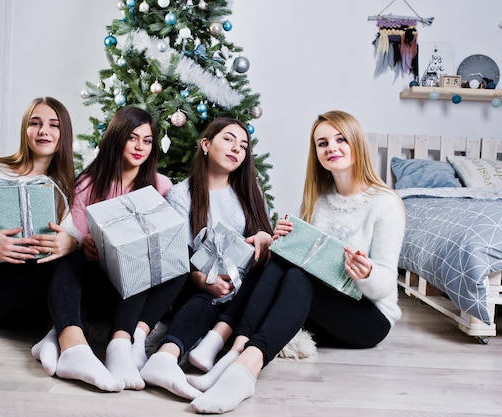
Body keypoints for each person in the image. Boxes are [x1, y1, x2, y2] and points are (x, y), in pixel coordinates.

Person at [188, 110, 407, 414]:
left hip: (369, 317)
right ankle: (235, 352)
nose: (331, 148)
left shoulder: (386, 204)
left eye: (341, 139)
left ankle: (246, 368)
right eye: (322, 143)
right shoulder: (321, 201)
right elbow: (307, 266)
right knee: (281, 260)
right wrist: (281, 241)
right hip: (323, 312)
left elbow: (384, 288)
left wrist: (367, 273)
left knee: (297, 275)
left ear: (356, 144)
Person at [30, 105, 181, 392]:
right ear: (117, 138)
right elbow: (74, 233)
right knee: (69, 260)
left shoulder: (160, 186)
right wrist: (85, 242)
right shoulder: (90, 182)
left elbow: (166, 238)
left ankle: (127, 341)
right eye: (132, 138)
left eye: (147, 141)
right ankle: (57, 337)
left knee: (171, 262)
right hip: (96, 276)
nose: (140, 147)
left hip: (135, 285)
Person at [139, 117, 273, 400]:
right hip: (196, 281)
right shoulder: (181, 194)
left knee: (265, 278)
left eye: (244, 145)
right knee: (204, 300)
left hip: (242, 282)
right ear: (205, 144)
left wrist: (264, 237)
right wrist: (202, 279)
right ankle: (166, 356)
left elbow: (265, 241)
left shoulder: (250, 192)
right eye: (228, 139)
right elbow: (177, 253)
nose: (237, 148)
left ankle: (212, 344)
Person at [0, 96, 79, 327]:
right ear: (25, 130)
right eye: (35, 123)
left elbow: (68, 235)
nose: (43, 131)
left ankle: (61, 333)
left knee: (75, 259)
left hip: (34, 287)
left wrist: (71, 243)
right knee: (70, 266)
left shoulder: (63, 184)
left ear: (63, 133)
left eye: (54, 125)